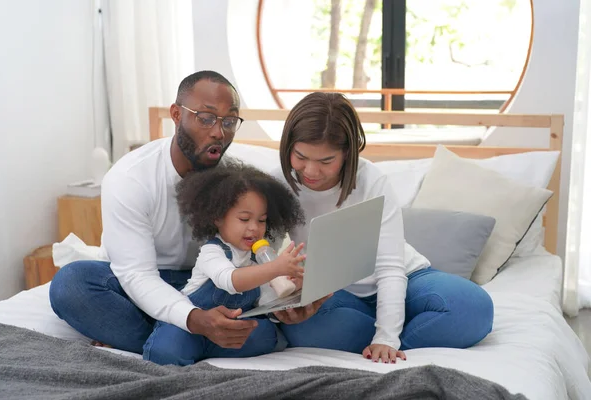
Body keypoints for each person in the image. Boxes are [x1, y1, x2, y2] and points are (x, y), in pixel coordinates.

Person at [48, 70, 327, 355]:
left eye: (229, 121)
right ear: (177, 114)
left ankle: (166, 341)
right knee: (72, 285)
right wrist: (195, 320)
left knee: (264, 324)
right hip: (139, 282)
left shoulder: (238, 182)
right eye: (206, 118)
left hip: (211, 284)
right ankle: (185, 338)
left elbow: (256, 259)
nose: (219, 132)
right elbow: (136, 276)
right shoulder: (130, 178)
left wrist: (283, 297)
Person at [272, 92, 495, 364]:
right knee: (303, 329)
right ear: (288, 147)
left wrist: (386, 338)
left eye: (326, 161)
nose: (311, 171)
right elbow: (264, 259)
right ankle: (406, 326)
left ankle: (389, 336)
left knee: (474, 310)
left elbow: (391, 266)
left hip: (406, 278)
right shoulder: (276, 184)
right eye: (301, 156)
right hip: (334, 294)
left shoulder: (370, 180)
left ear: (347, 153)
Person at [142, 163, 306, 365]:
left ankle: (208, 352)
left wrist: (293, 287)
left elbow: (265, 303)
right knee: (165, 351)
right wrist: (274, 268)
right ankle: (181, 347)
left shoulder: (256, 264)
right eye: (244, 219)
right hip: (189, 328)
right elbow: (230, 280)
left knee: (269, 334)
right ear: (218, 217)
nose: (254, 228)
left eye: (262, 220)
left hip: (225, 334)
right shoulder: (212, 252)